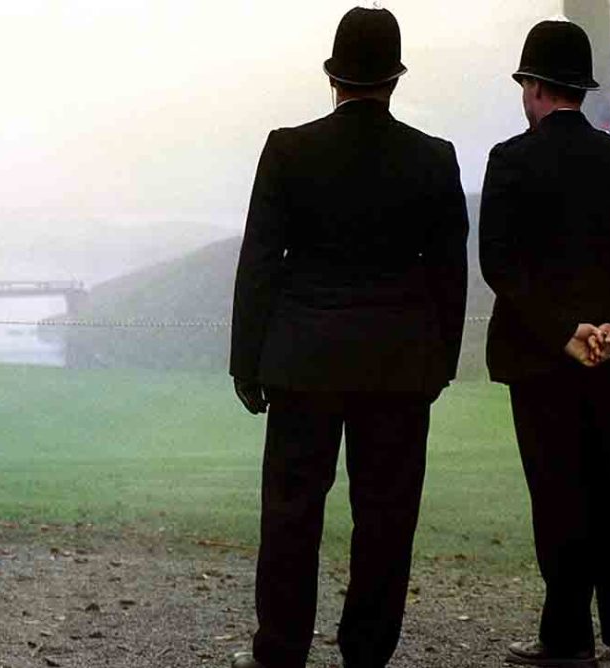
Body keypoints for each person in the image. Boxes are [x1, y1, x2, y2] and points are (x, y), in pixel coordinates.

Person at [228, 7, 467, 668]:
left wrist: (246, 365)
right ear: (396, 78)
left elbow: (260, 265)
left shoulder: (287, 148)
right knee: (386, 520)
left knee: (290, 514)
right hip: (397, 366)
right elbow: (450, 275)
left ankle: (280, 649)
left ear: (331, 76)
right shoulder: (434, 158)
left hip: (303, 361)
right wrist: (440, 363)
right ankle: (366, 653)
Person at [479, 19, 610, 667]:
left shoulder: (510, 162)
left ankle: (565, 638)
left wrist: (566, 331)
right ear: (581, 90)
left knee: (557, 492)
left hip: (540, 359)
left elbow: (502, 269)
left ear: (533, 87)